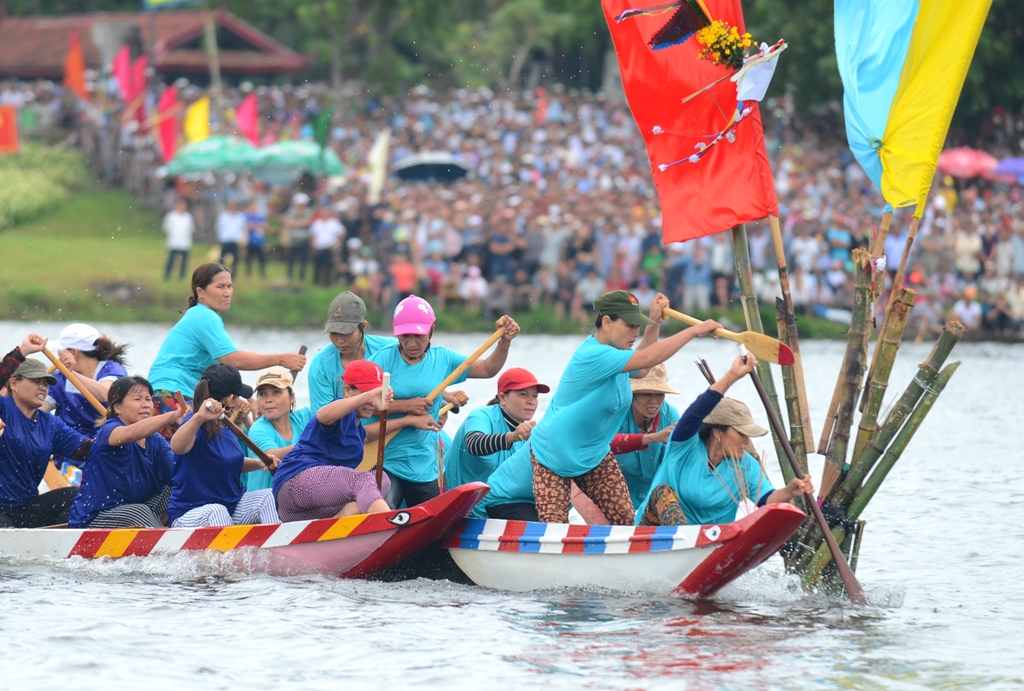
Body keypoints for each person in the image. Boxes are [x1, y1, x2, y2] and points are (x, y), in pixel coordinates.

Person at [528, 290, 721, 525]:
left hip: (595, 456)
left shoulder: (619, 356)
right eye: (630, 325)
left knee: (626, 523)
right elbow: (646, 359)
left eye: (638, 326)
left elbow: (641, 368)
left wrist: (655, 323)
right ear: (607, 322)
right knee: (554, 530)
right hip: (553, 455)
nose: (635, 332)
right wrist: (693, 331)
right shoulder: (593, 354)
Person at [368, 295, 520, 508]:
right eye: (405, 336)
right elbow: (363, 406)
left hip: (425, 464)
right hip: (384, 459)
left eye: (418, 336)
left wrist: (504, 343)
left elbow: (487, 369)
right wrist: (407, 406)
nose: (411, 343)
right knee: (385, 510)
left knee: (440, 519)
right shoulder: (382, 360)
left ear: (431, 330)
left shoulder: (443, 359)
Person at [637, 354, 814, 527]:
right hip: (654, 532)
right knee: (663, 492)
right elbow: (695, 413)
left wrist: (790, 491)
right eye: (741, 433)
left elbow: (766, 500)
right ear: (718, 433)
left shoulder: (745, 465)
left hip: (710, 541)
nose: (746, 441)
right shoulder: (684, 445)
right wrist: (732, 375)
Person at [148, 263, 307, 431]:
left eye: (230, 286)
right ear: (200, 292)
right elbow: (232, 359)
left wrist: (236, 398)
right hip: (172, 394)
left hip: (167, 392)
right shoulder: (205, 317)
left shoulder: (199, 314)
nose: (227, 293)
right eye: (220, 287)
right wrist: (280, 359)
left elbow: (220, 372)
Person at [274, 360, 433, 521]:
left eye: (378, 395)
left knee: (381, 481)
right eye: (368, 393)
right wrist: (369, 396)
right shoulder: (339, 408)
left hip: (312, 508)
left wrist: (409, 421)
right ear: (348, 391)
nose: (373, 402)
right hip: (294, 484)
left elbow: (368, 435)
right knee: (363, 480)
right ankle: (389, 523)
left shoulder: (356, 429)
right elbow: (322, 415)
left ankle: (336, 525)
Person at [167, 363, 281, 528]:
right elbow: (177, 447)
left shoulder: (224, 425)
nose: (241, 400)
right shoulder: (193, 423)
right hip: (190, 513)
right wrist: (199, 417)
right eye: (238, 395)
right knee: (217, 511)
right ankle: (235, 553)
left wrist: (258, 463)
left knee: (267, 497)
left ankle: (276, 548)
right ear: (229, 399)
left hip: (231, 507)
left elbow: (228, 461)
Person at [67, 376, 184, 529]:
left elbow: (178, 471)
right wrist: (173, 415)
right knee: (139, 512)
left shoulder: (155, 439)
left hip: (138, 507)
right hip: (96, 517)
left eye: (148, 399)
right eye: (137, 399)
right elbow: (131, 433)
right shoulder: (109, 430)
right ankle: (166, 542)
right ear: (117, 407)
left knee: (177, 490)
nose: (145, 405)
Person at [0, 357, 91, 528]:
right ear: (13, 383)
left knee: (78, 495)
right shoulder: (3, 408)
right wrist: (22, 352)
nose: (43, 387)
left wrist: (120, 436)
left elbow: (88, 450)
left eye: (45, 383)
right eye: (35, 381)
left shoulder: (51, 424)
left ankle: (63, 546)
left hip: (27, 508)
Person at [444, 368, 548, 491]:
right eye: (523, 394)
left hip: (492, 503)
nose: (531, 402)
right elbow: (474, 444)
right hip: (456, 502)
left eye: (535, 396)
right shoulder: (481, 415)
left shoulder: (526, 435)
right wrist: (512, 437)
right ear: (503, 398)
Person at [42, 323, 129, 467]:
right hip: (69, 447)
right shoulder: (59, 377)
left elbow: (106, 394)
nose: (56, 358)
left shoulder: (112, 369)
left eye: (60, 352)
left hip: (105, 445)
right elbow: (37, 408)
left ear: (73, 353)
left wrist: (71, 374)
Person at [307, 291, 396, 409]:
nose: (339, 341)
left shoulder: (391, 348)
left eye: (346, 332)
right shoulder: (320, 364)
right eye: (334, 333)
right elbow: (323, 417)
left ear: (363, 326)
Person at [610, 364, 680, 508]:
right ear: (632, 394)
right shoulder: (616, 410)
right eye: (647, 394)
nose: (654, 400)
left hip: (650, 493)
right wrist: (655, 437)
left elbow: (674, 464)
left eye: (659, 394)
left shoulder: (671, 416)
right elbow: (605, 443)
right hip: (609, 488)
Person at [243, 366, 316, 491]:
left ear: (291, 397)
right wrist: (312, 444)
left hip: (299, 497)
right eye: (262, 394)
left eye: (276, 392)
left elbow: (331, 409)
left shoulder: (305, 417)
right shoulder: (258, 429)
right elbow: (272, 456)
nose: (268, 400)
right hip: (266, 503)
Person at [310, 204, 345, 286]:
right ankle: (316, 281)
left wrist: (337, 242)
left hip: (329, 247)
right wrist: (313, 243)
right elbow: (312, 235)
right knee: (317, 265)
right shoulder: (317, 223)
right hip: (319, 247)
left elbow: (342, 233)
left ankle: (327, 282)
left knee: (328, 266)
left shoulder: (333, 222)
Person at [163, 198, 195, 281]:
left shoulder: (188, 217)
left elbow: (191, 229)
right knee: (171, 260)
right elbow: (166, 228)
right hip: (174, 241)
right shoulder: (171, 216)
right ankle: (167, 275)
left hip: (185, 242)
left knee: (184, 261)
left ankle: (182, 275)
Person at [285, 193, 313, 281]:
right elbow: (289, 223)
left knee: (303, 260)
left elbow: (308, 222)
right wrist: (302, 223)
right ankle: (289, 276)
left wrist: (295, 223)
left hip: (304, 240)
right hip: (294, 240)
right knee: (291, 259)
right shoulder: (292, 211)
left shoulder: (309, 212)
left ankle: (302, 277)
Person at [216, 199, 246, 275]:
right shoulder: (223, 216)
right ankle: (220, 273)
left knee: (236, 259)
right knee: (222, 259)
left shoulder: (240, 217)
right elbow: (218, 227)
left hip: (236, 241)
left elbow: (242, 229)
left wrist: (241, 239)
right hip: (225, 240)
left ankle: (233, 275)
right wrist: (220, 238)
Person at [244, 200, 267, 278]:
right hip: (250, 241)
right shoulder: (247, 216)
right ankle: (248, 273)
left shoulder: (260, 216)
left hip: (259, 241)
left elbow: (264, 226)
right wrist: (258, 226)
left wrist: (253, 226)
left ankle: (262, 273)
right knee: (249, 258)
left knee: (261, 259)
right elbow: (247, 225)